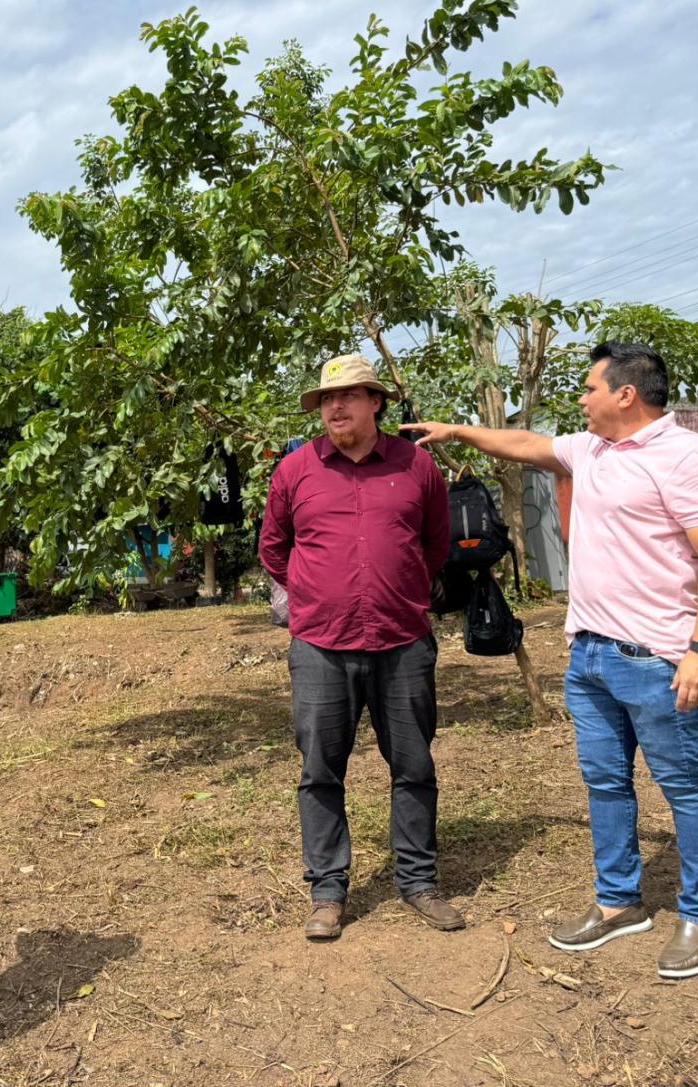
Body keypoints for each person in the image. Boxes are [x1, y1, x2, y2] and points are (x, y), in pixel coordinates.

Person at [403, 342, 698, 978]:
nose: (581, 400)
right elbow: (524, 444)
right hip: (589, 657)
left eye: (589, 389)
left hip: (659, 659)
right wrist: (455, 431)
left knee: (683, 788)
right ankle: (619, 904)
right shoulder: (592, 450)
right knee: (605, 784)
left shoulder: (688, 458)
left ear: (625, 394)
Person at [259, 354, 460, 941]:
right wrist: (321, 595)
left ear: (377, 402)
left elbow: (434, 543)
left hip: (402, 641)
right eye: (327, 399)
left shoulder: (415, 465)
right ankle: (327, 892)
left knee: (414, 766)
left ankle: (418, 881)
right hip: (321, 644)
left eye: (349, 396)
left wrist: (395, 591)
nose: (336, 407)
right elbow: (275, 549)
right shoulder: (294, 471)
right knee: (321, 771)